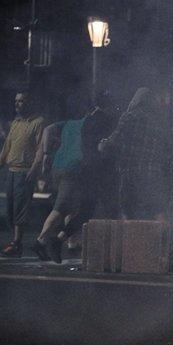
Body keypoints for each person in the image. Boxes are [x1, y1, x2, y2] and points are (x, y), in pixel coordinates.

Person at [31, 103, 114, 263]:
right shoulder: (89, 124)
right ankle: (40, 241)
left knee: (71, 206)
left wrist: (47, 154)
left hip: (58, 167)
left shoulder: (67, 124)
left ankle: (71, 243)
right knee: (61, 208)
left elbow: (47, 130)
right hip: (73, 169)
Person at [98, 87, 172, 221]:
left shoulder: (130, 116)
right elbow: (166, 148)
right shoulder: (159, 121)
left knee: (128, 209)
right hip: (153, 173)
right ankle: (163, 239)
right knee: (156, 210)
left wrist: (102, 145)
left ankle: (131, 240)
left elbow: (115, 140)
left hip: (131, 171)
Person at [0, 91, 46, 257]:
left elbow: (40, 149)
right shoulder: (16, 122)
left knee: (20, 208)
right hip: (11, 171)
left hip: (25, 171)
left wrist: (34, 170)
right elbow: (7, 147)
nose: (17, 104)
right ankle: (15, 243)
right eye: (16, 101)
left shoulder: (38, 122)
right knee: (10, 209)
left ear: (29, 103)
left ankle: (16, 243)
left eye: (21, 101)